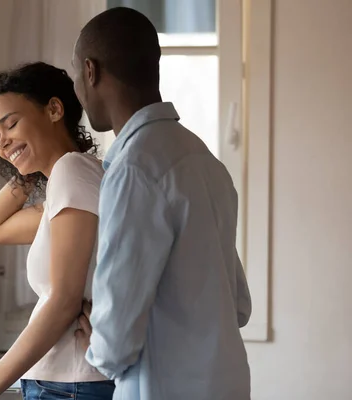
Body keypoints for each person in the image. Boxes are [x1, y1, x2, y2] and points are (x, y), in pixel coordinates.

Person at [71, 7, 253, 400]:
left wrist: (97, 347)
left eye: (75, 78)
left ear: (90, 71)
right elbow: (239, 306)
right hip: (227, 384)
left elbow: (116, 332)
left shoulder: (135, 168)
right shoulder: (204, 159)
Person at [0, 62, 115, 400]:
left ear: (54, 109)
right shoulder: (73, 179)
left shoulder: (73, 173)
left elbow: (64, 302)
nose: (1, 144)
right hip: (65, 381)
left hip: (70, 383)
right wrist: (29, 164)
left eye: (11, 124)